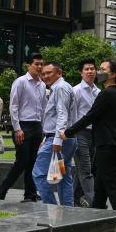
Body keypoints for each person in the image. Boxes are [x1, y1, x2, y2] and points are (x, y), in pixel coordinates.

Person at [66, 59, 116, 211]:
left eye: (102, 69)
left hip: (108, 147)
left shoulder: (107, 93)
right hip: (113, 146)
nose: (97, 72)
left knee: (113, 189)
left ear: (113, 74)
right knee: (100, 188)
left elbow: (90, 116)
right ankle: (97, 215)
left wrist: (68, 132)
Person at [0, 53, 45, 202]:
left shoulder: (42, 85)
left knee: (33, 162)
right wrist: (17, 128)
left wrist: (43, 131)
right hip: (23, 126)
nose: (39, 67)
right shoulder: (20, 82)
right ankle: (1, 190)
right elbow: (13, 106)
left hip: (37, 127)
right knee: (22, 161)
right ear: (28, 65)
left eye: (41, 64)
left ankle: (30, 194)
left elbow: (43, 109)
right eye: (36, 64)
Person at [32, 62, 77, 206]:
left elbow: (62, 115)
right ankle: (67, 210)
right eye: (43, 73)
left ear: (59, 72)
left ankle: (51, 207)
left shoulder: (60, 88)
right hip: (64, 138)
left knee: (38, 174)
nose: (45, 76)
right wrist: (47, 137)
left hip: (60, 140)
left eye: (49, 73)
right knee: (64, 175)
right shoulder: (60, 87)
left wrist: (56, 141)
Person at [72, 59, 100, 207]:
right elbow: (72, 114)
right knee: (86, 169)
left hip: (94, 134)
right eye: (86, 69)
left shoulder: (99, 92)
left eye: (92, 69)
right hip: (80, 133)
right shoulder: (75, 91)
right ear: (81, 72)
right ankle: (94, 201)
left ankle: (72, 200)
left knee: (80, 170)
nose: (90, 71)